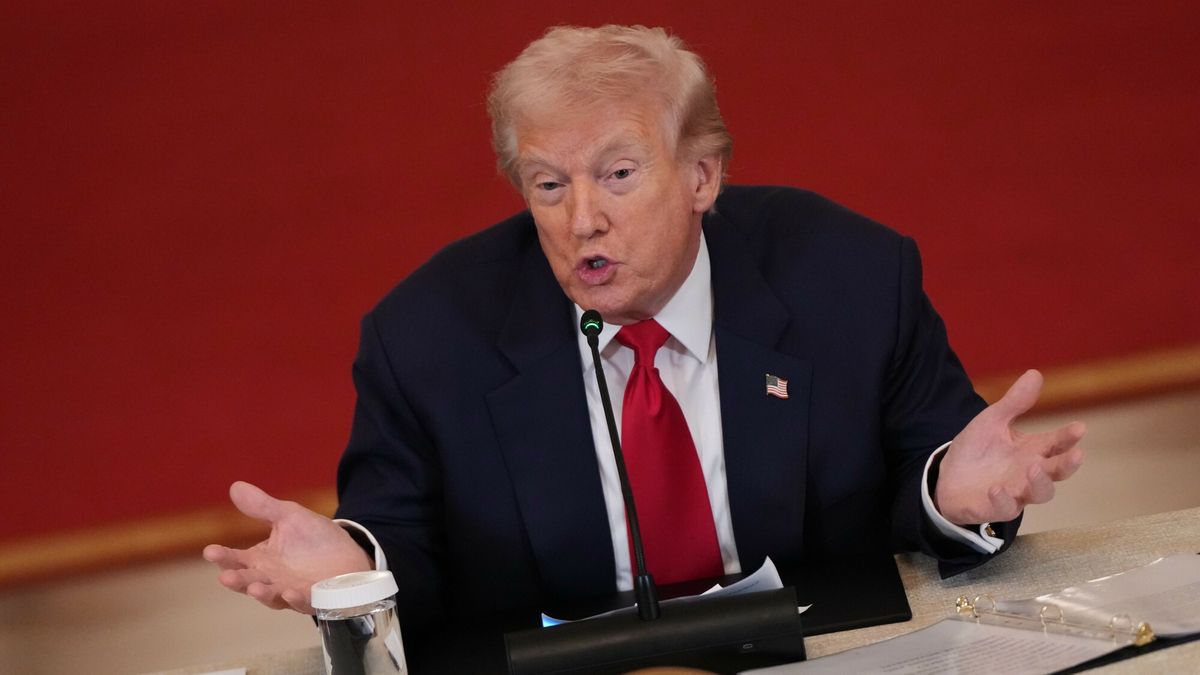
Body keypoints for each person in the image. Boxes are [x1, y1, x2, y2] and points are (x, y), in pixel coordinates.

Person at [204, 25, 1084, 634]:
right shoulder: (428, 336)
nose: (581, 219)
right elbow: (406, 546)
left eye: (618, 174)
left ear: (703, 175)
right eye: (548, 185)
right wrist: (352, 560)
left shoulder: (849, 278)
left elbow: (935, 466)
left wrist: (949, 494)